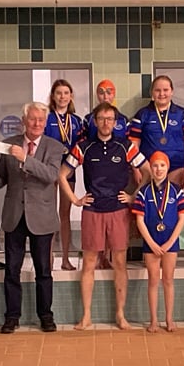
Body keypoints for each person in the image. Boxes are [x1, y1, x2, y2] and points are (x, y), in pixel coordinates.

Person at [60, 101, 150, 330]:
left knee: (119, 262)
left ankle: (120, 315)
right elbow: (62, 175)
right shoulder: (84, 147)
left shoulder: (125, 146)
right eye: (101, 119)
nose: (106, 123)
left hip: (118, 211)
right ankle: (86, 316)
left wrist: (132, 197)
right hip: (92, 210)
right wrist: (75, 199)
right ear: (95, 121)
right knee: (89, 263)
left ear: (116, 122)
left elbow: (148, 171)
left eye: (110, 119)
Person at [0, 101, 65, 334]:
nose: (37, 124)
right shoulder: (10, 144)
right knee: (12, 269)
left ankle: (46, 316)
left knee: (44, 270)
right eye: (32, 119)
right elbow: (3, 174)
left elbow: (51, 175)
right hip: (14, 215)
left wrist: (25, 159)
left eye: (41, 120)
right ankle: (12, 317)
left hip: (41, 216)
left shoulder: (54, 146)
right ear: (24, 121)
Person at [132, 151, 184, 332]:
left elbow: (182, 219)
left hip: (170, 242)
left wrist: (169, 242)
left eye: (162, 165)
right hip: (151, 242)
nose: (158, 169)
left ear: (167, 168)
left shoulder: (176, 191)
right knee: (153, 281)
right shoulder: (143, 192)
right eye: (155, 165)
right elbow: (139, 220)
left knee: (168, 280)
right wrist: (151, 243)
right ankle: (154, 320)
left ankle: (169, 319)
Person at [82, 79, 131, 270]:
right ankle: (101, 258)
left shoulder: (123, 119)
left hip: (118, 170)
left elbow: (128, 148)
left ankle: (110, 257)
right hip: (96, 172)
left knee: (117, 219)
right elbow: (87, 145)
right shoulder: (88, 119)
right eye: (101, 92)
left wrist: (134, 172)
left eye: (109, 91)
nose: (105, 95)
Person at [44, 79, 85, 271]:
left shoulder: (77, 121)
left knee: (65, 214)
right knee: (50, 214)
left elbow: (82, 146)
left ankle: (66, 258)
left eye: (66, 93)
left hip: (69, 170)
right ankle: (49, 257)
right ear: (53, 96)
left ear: (71, 96)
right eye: (58, 93)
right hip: (50, 170)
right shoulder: (46, 118)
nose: (62, 96)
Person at [129, 75, 184, 188]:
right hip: (149, 170)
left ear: (172, 91)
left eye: (165, 90)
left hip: (177, 170)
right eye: (157, 90)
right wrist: (136, 170)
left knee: (173, 204)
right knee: (151, 204)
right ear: (152, 93)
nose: (162, 94)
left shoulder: (183, 114)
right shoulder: (142, 115)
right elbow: (133, 145)